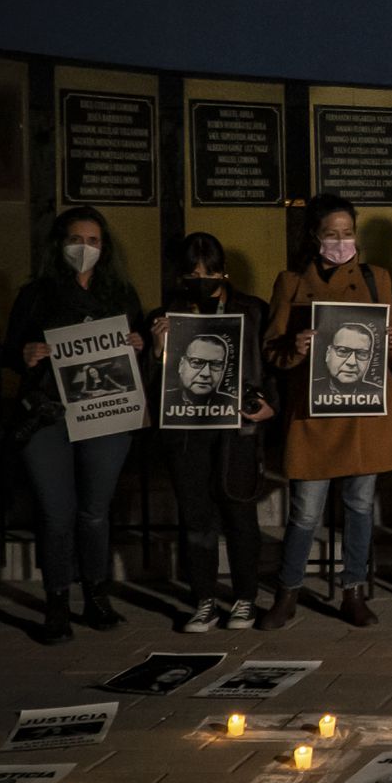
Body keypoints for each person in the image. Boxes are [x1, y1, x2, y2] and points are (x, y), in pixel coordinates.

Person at [260, 195, 392, 630]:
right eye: (332, 233)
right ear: (315, 236)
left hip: (365, 415)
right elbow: (271, 350)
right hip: (315, 416)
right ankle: (287, 593)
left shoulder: (377, 278)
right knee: (305, 510)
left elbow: (391, 351)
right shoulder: (289, 282)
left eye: (348, 233)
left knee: (360, 505)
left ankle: (354, 591)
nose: (341, 241)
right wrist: (295, 347)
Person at [7, 206, 145, 644]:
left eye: (93, 241)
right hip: (48, 415)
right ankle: (56, 602)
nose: (83, 248)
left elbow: (138, 346)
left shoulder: (121, 294)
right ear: (58, 244)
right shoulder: (34, 296)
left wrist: (139, 343)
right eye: (75, 240)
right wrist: (25, 354)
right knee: (56, 513)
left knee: (94, 512)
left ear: (104, 248)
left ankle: (97, 596)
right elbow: (9, 350)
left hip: (105, 415)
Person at [147, 233, 276, 633]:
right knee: (196, 516)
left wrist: (270, 404)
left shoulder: (252, 311)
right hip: (188, 432)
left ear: (225, 272)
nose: (201, 279)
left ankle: (245, 598)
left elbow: (271, 365)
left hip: (237, 429)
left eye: (209, 272)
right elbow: (151, 383)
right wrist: (157, 348)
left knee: (240, 513)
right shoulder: (167, 313)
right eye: (192, 273)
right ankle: (204, 599)